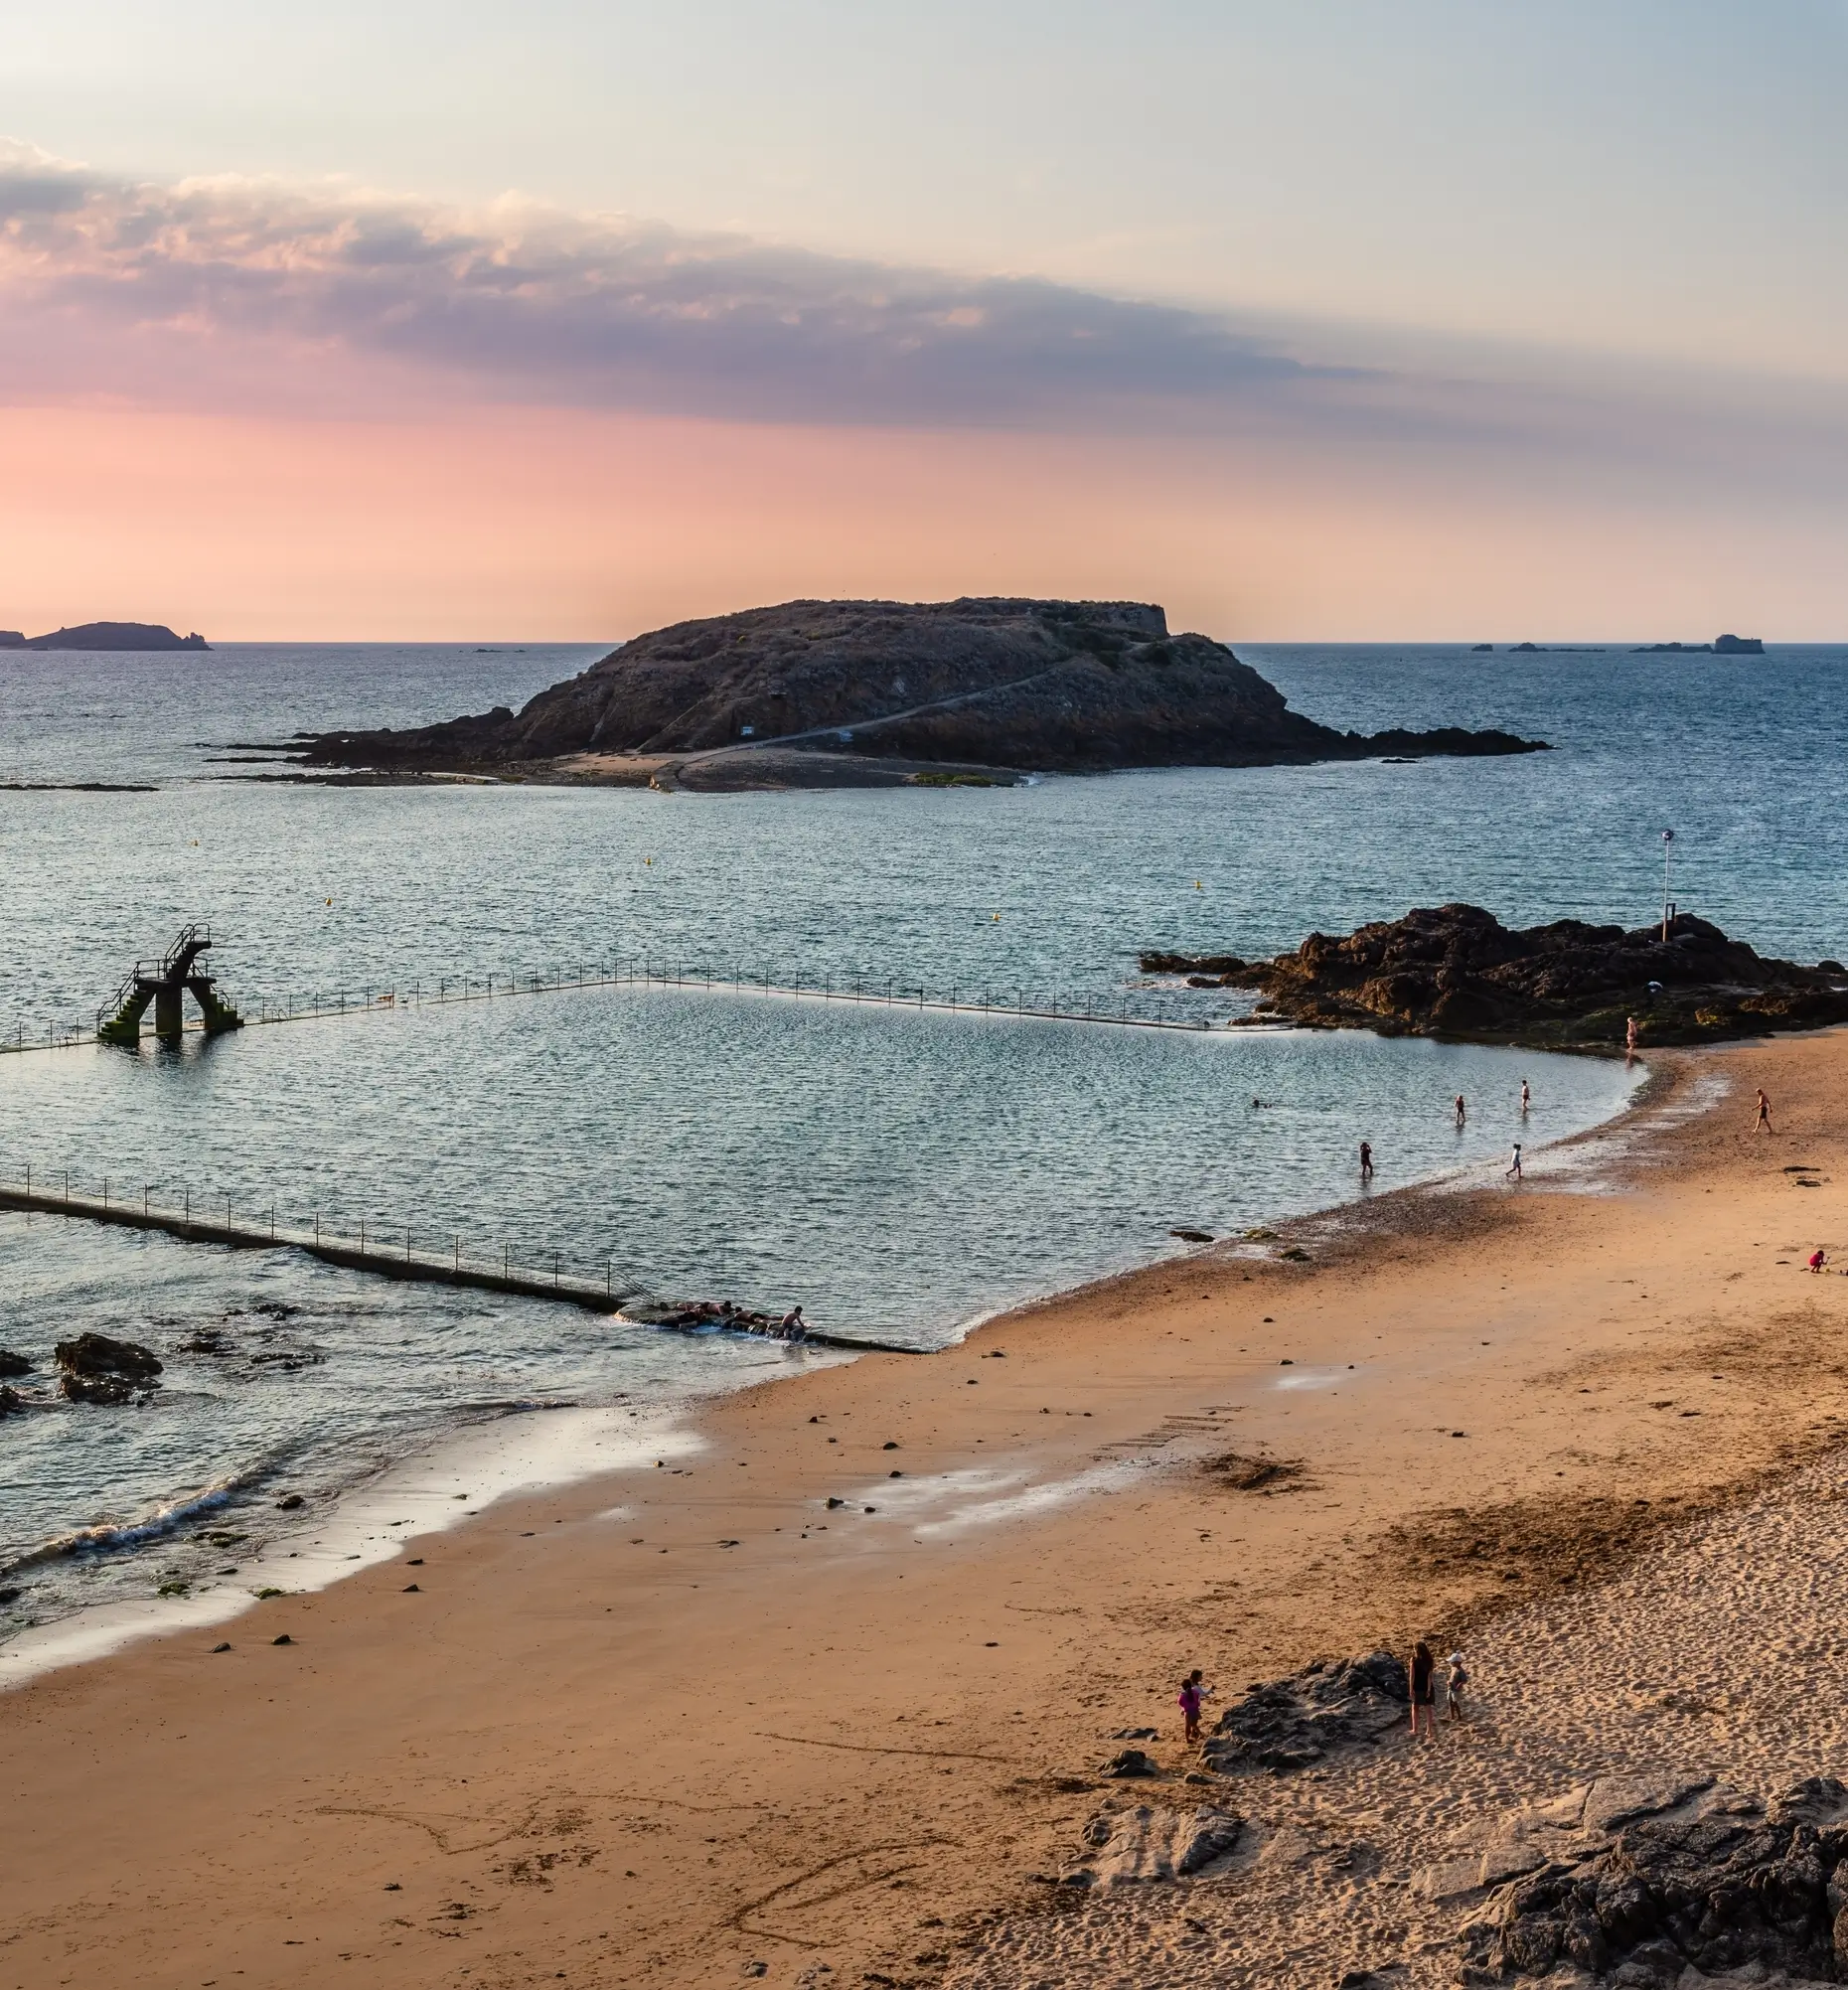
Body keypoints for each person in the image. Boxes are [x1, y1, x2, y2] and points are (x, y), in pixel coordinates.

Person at [1409, 1641, 1437, 1741]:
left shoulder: (1414, 1660)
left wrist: (1410, 1688)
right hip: (1427, 1687)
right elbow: (1430, 1676)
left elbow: (1412, 1676)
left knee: (1415, 1708)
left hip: (1417, 1687)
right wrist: (1429, 1689)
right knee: (1428, 1709)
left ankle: (1415, 1729)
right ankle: (1429, 1731)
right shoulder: (1430, 1660)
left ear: (1417, 1650)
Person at [1178, 1668, 1209, 1745]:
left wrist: (1184, 1708)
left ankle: (1188, 1739)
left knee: (1188, 1725)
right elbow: (1197, 1702)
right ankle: (1198, 1733)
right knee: (1194, 1724)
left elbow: (1180, 1702)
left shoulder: (1182, 1695)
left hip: (1187, 1712)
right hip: (1195, 1711)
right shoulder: (1195, 1692)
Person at [1446, 1651, 1469, 1722]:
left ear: (1457, 1662)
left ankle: (1459, 1716)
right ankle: (1452, 1716)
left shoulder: (1461, 1671)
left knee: (1455, 1703)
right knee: (1450, 1702)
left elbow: (1464, 1680)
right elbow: (1451, 1677)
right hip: (1450, 1688)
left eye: (1452, 1662)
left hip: (1455, 1690)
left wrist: (1460, 1684)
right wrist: (1448, 1682)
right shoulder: (1453, 1668)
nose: (1451, 1663)